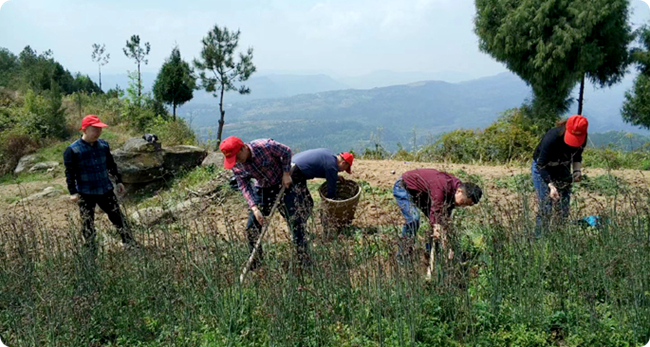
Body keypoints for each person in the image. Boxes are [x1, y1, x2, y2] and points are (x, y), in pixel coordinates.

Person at [220, 136, 311, 267]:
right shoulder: (236, 164)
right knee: (252, 228)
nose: (236, 162)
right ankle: (256, 264)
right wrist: (254, 208)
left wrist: (286, 174)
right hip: (262, 188)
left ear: (244, 148)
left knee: (295, 221)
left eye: (237, 157)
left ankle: (304, 261)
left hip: (282, 184)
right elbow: (243, 185)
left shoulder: (265, 146)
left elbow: (286, 151)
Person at [63, 115, 136, 254]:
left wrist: (118, 181)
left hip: (105, 189)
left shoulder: (103, 145)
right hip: (85, 191)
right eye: (94, 129)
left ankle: (129, 242)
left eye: (99, 129)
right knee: (87, 222)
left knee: (118, 217)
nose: (98, 132)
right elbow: (69, 173)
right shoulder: (72, 150)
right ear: (84, 129)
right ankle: (91, 250)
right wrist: (72, 192)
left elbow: (111, 165)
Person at [393, 168, 482, 259]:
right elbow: (436, 212)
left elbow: (444, 221)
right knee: (414, 218)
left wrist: (447, 246)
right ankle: (403, 255)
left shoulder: (453, 194)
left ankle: (430, 254)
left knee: (441, 224)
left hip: (423, 194)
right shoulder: (442, 186)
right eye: (464, 202)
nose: (462, 206)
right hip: (404, 187)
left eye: (466, 205)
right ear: (459, 191)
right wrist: (437, 227)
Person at [532, 115, 588, 237]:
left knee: (563, 205)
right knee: (546, 205)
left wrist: (577, 171)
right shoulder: (552, 137)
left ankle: (559, 237)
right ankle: (539, 238)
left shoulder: (583, 137)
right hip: (544, 168)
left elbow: (577, 155)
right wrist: (551, 186)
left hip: (563, 167)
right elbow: (541, 165)